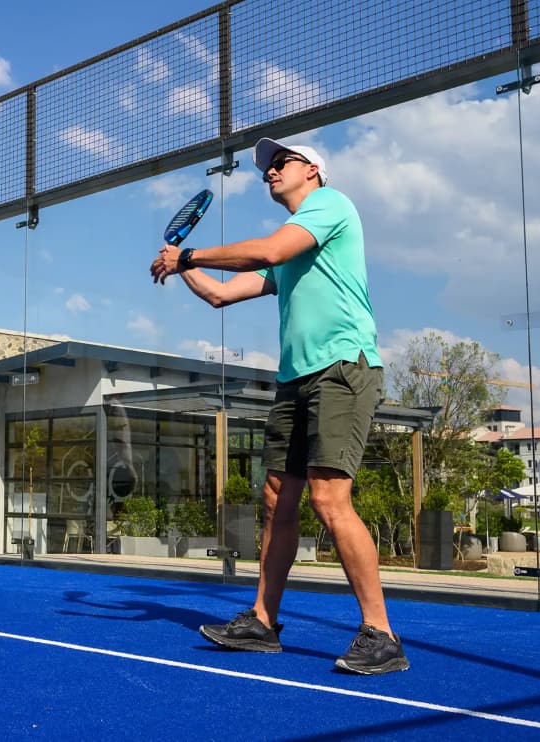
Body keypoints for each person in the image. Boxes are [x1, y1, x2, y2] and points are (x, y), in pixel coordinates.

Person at [149, 137, 408, 675]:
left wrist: (189, 253)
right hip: (295, 379)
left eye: (280, 162)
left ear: (312, 170)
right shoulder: (295, 252)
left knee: (329, 497)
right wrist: (181, 267)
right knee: (275, 499)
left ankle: (381, 634)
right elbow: (223, 294)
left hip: (344, 367)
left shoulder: (331, 206)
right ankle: (263, 624)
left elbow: (268, 250)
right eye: (266, 166)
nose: (269, 171)